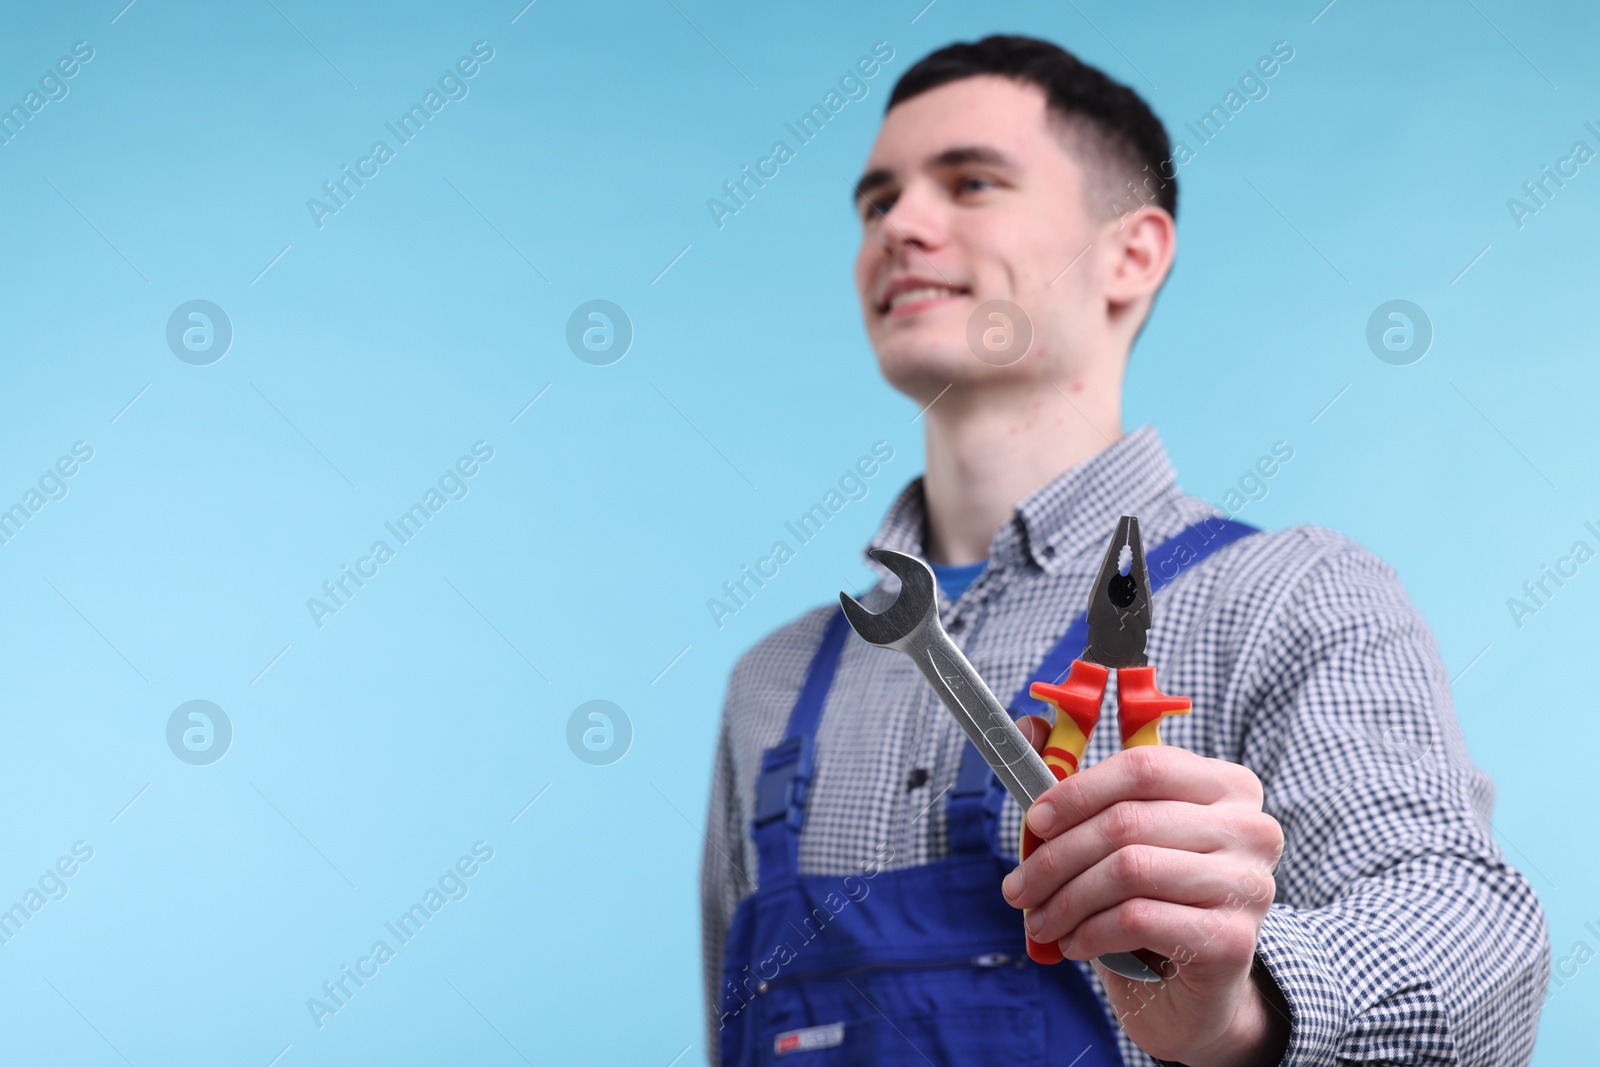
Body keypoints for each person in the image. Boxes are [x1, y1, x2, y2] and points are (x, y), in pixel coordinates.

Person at [699, 34, 1548, 1067]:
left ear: (1130, 253)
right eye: (876, 203)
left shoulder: (1290, 598)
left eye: (971, 182)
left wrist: (1243, 1006)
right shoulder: (772, 684)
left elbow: (1475, 945)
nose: (901, 226)